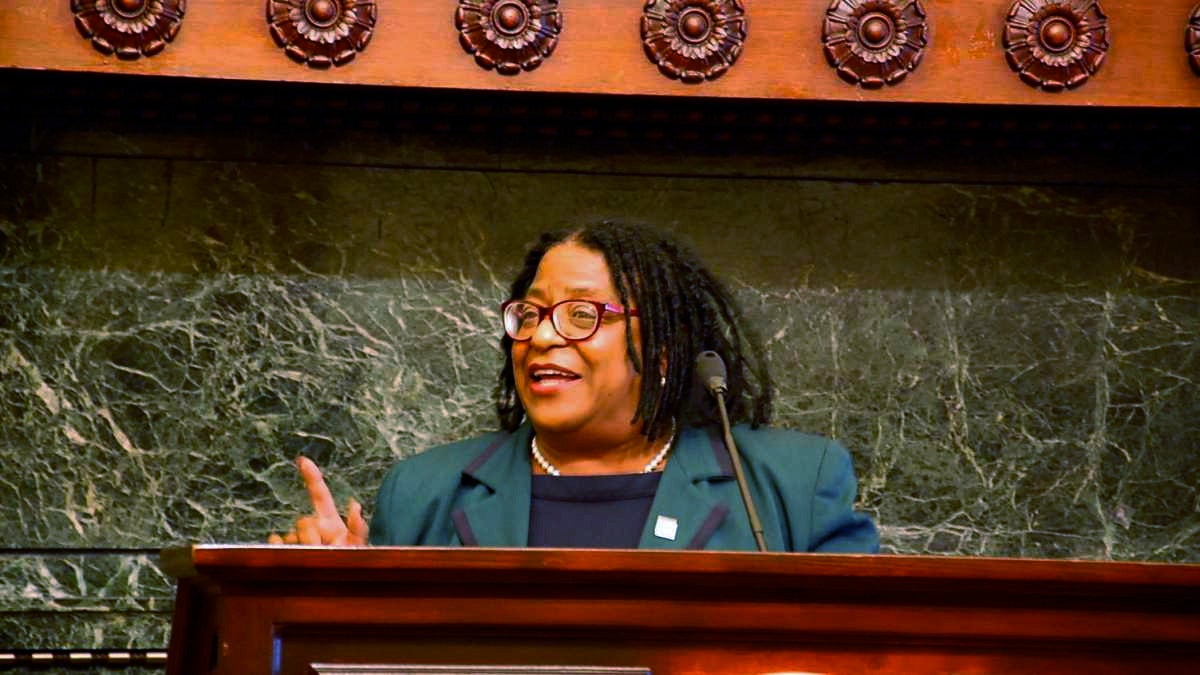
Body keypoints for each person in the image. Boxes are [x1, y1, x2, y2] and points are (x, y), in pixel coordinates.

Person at [270, 221, 878, 552]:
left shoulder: (792, 485)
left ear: (664, 349)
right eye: (530, 314)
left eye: (583, 316)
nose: (540, 338)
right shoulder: (426, 491)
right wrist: (331, 593)